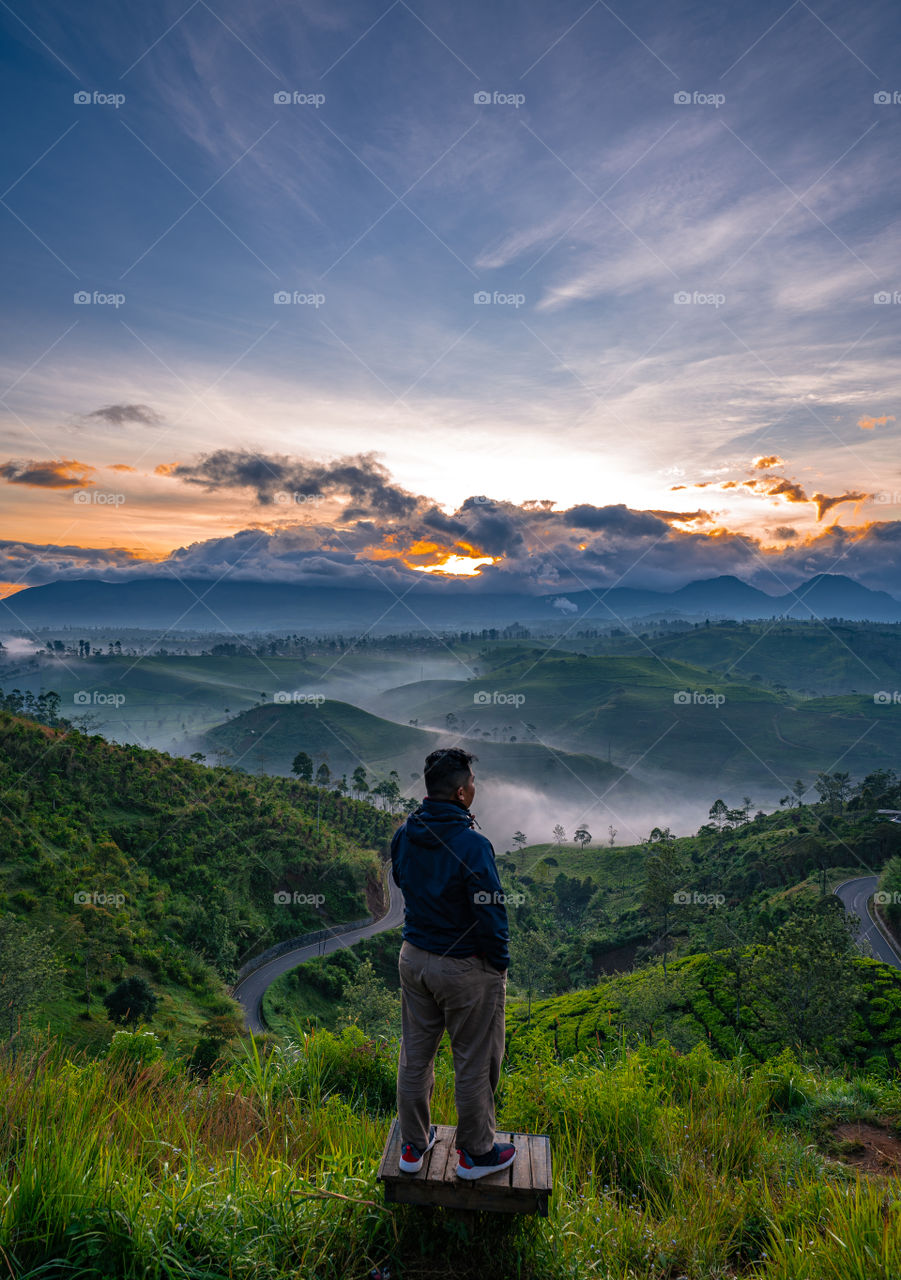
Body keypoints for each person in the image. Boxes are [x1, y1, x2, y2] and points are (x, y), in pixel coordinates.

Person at [390, 747, 515, 1181]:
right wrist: (498, 964)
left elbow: (401, 879)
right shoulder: (473, 844)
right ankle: (475, 1155)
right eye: (474, 784)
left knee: (415, 1056)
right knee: (475, 1060)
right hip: (463, 970)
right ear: (462, 793)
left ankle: (412, 1145)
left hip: (414, 960)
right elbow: (491, 911)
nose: (476, 789)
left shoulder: (407, 832)